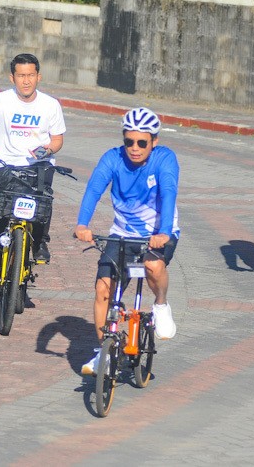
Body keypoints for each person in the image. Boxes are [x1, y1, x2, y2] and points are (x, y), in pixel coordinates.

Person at [74, 107, 179, 375]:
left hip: (156, 234)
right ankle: (103, 352)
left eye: (141, 142)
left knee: (154, 268)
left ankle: (161, 305)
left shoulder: (165, 159)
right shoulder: (112, 159)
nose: (134, 148)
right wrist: (82, 224)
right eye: (129, 141)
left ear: (154, 141)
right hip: (122, 234)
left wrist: (164, 231)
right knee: (103, 290)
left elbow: (168, 192)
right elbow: (94, 189)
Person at [0, 53, 67, 297]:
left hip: (39, 167)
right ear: (12, 77)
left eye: (31, 75)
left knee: (41, 207)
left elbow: (58, 139)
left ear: (39, 77)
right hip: (7, 166)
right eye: (21, 76)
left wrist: (48, 149)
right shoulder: (1, 100)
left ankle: (41, 241)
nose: (26, 81)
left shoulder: (50, 105)